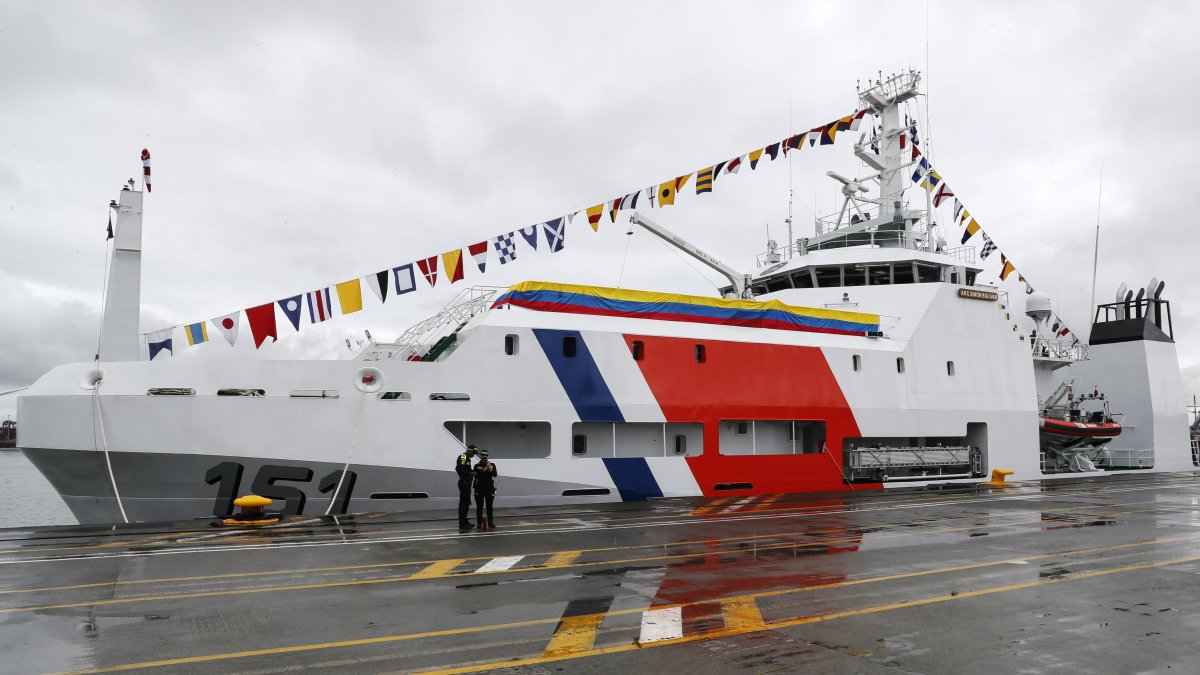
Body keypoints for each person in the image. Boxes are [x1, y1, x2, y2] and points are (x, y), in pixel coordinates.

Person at [473, 450, 498, 530]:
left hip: (489, 489)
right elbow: (475, 475)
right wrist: (483, 470)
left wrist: (490, 469)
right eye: (483, 457)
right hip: (479, 489)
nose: (484, 458)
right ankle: (479, 522)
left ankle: (490, 522)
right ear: (480, 457)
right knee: (479, 507)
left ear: (487, 457)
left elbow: (495, 474)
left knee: (489, 506)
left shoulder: (492, 465)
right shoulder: (477, 466)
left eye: (485, 457)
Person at [455, 445, 478, 530]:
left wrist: (472, 472)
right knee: (464, 503)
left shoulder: (467, 458)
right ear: (469, 451)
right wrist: (469, 474)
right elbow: (459, 469)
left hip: (467, 483)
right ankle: (462, 523)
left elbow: (465, 469)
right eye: (473, 453)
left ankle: (464, 520)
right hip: (464, 483)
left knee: (466, 503)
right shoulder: (463, 457)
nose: (474, 455)